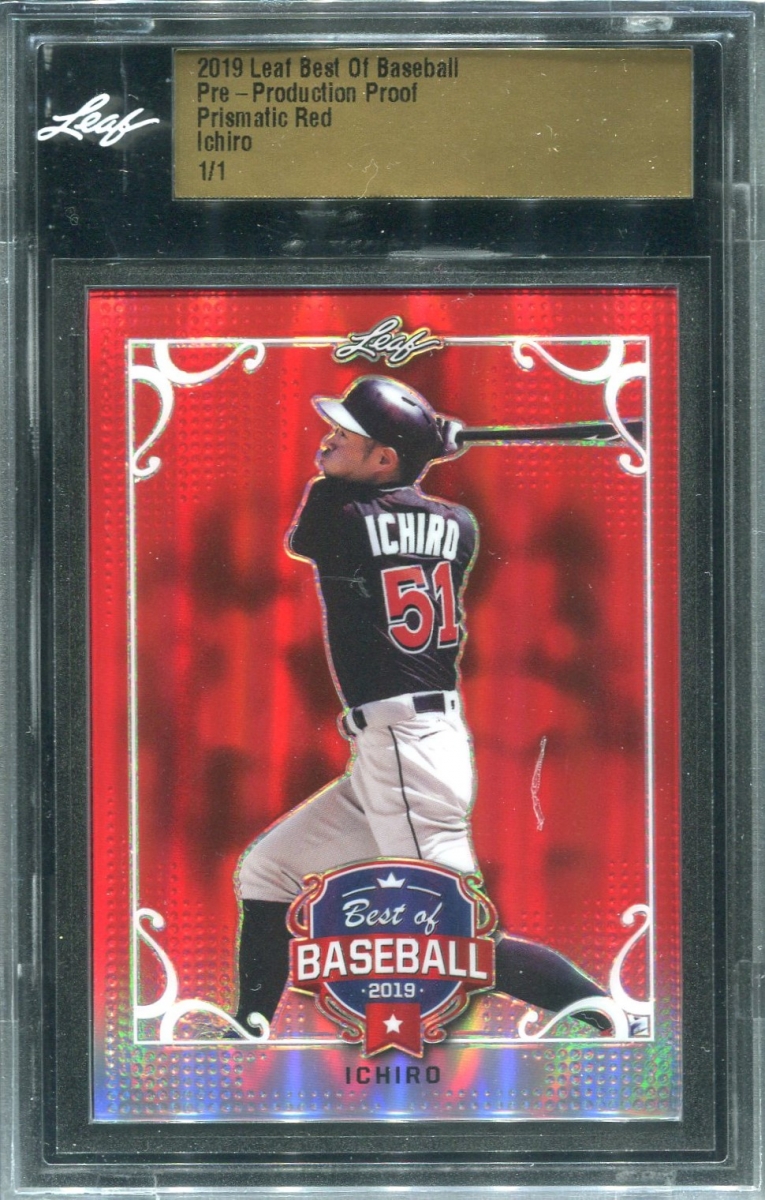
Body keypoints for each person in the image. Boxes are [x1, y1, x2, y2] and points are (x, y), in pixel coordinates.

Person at [234, 376, 613, 1035]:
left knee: (452, 931)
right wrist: (417, 451)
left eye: (348, 434)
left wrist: (422, 448)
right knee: (271, 868)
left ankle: (609, 1015)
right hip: (404, 747)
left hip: (406, 750)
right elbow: (395, 506)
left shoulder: (340, 514)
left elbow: (316, 522)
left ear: (383, 459)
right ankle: (249, 1026)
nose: (328, 438)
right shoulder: (457, 525)